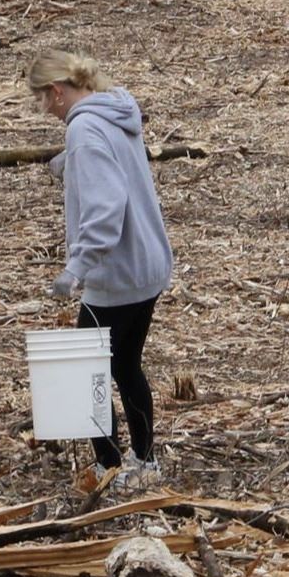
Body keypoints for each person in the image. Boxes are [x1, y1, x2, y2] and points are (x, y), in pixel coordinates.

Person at [28, 49, 174, 486]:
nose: (42, 109)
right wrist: (67, 166)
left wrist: (75, 269)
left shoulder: (84, 129)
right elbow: (115, 170)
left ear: (56, 92)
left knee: (84, 373)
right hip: (148, 264)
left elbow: (107, 209)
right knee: (126, 364)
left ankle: (108, 467)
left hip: (116, 273)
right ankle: (144, 463)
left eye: (40, 98)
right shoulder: (114, 109)